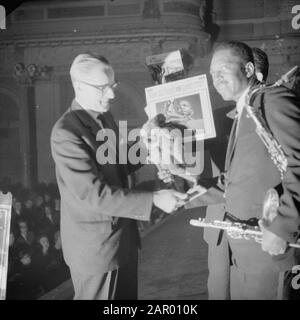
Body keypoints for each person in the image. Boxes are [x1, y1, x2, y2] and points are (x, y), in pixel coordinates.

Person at [50, 53, 187, 300]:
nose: (112, 95)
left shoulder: (103, 118)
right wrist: (154, 199)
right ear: (79, 86)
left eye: (112, 86)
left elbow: (117, 164)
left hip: (120, 241)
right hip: (97, 250)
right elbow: (94, 195)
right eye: (102, 88)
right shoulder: (66, 132)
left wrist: (151, 146)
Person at [185, 41, 300, 299]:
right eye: (213, 74)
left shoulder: (272, 100)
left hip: (266, 253)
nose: (217, 79)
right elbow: (237, 181)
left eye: (223, 70)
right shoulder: (246, 110)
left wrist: (282, 227)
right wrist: (181, 194)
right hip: (243, 253)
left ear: (248, 69)